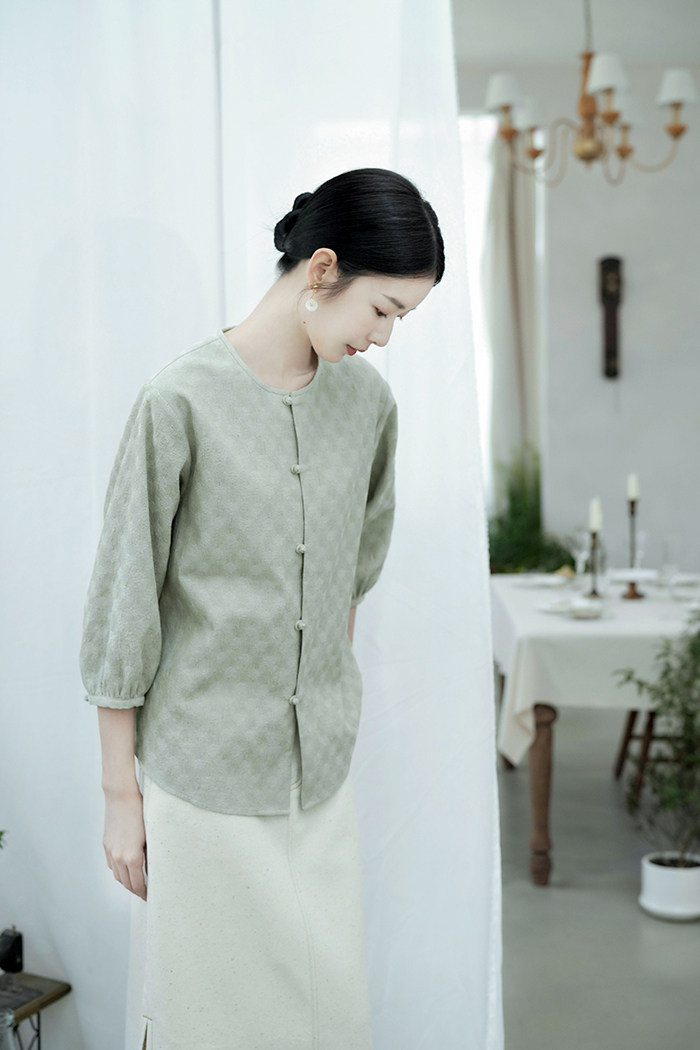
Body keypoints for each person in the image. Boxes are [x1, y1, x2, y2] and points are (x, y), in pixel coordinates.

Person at [80, 167, 444, 1050]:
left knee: (329, 1018)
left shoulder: (368, 405)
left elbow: (349, 579)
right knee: (209, 1022)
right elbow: (125, 603)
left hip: (317, 783)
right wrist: (121, 796)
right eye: (383, 310)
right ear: (322, 270)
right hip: (201, 782)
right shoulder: (179, 401)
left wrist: (320, 705)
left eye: (401, 319)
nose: (383, 337)